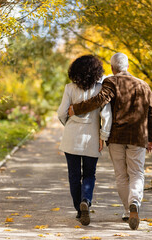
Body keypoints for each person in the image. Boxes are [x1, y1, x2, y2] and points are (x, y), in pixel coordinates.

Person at [68, 52, 152, 230]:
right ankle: (134, 204)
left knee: (121, 175)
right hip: (138, 137)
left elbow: (100, 100)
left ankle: (127, 210)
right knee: (137, 173)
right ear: (127, 67)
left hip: (116, 137)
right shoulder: (144, 85)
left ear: (112, 68)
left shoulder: (111, 82)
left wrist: (76, 109)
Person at [57, 55, 112, 226]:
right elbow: (106, 116)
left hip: (71, 137)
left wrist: (68, 124)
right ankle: (86, 200)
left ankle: (79, 210)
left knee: (74, 175)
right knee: (89, 174)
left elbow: (61, 112)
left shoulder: (69, 88)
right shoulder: (101, 89)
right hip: (91, 138)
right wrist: (103, 137)